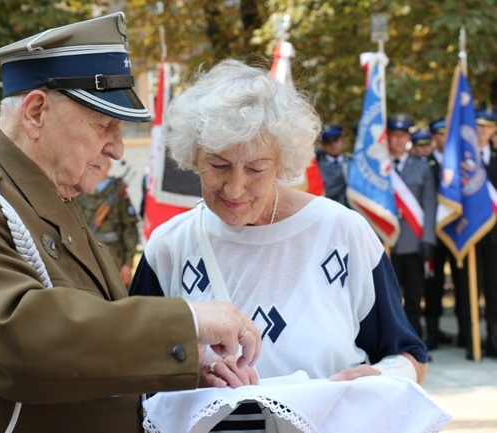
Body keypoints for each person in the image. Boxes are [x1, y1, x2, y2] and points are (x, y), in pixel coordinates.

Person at [0, 13, 261, 433]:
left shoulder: (48, 196)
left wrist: (177, 363)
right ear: (35, 111)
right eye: (105, 125)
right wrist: (189, 321)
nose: (118, 148)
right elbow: (23, 344)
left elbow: (85, 348)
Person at [130, 60, 428, 430]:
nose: (235, 188)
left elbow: (410, 356)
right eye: (218, 166)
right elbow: (132, 369)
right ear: (193, 157)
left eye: (255, 168)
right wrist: (187, 370)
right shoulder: (169, 246)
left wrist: (381, 379)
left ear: (283, 163)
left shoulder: (344, 233)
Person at [387, 112, 437, 339]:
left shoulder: (422, 167)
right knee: (389, 298)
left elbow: (429, 205)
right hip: (386, 242)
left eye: (402, 135)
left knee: (415, 296)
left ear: (408, 137)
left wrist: (428, 239)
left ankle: (416, 342)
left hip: (414, 241)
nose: (398, 140)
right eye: (394, 135)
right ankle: (394, 342)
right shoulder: (376, 168)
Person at [425, 118, 467, 352]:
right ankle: (432, 334)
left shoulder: (461, 165)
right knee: (433, 285)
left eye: (447, 134)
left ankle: (465, 333)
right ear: (434, 137)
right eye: (440, 134)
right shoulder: (426, 164)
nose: (444, 138)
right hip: (433, 235)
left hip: (458, 232)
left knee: (462, 284)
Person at [76, 159, 140, 287]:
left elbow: (129, 229)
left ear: (109, 166)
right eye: (93, 164)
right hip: (86, 256)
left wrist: (127, 264)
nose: (98, 168)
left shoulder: (118, 192)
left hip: (115, 259)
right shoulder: (79, 190)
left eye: (103, 163)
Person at [474, 107, 497, 358]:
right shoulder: (463, 160)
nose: (482, 131)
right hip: (469, 233)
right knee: (468, 285)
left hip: (494, 235)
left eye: (487, 127)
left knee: (494, 286)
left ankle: (492, 337)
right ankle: (471, 338)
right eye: (478, 126)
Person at [316, 122, 349, 206]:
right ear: (323, 145)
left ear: (342, 141)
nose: (332, 144)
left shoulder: (352, 163)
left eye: (335, 139)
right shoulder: (317, 167)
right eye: (327, 141)